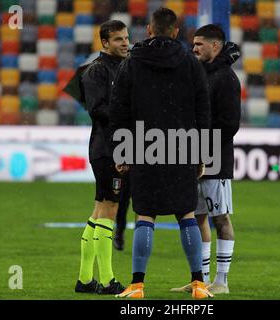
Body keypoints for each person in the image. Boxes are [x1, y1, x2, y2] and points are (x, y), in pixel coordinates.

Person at [109, 8, 213, 299]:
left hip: (144, 146)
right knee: (186, 213)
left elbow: (119, 109)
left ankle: (138, 285)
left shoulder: (132, 64)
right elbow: (203, 108)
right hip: (182, 146)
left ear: (149, 31)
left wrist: (121, 150)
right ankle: (199, 284)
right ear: (176, 32)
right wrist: (202, 152)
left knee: (145, 215)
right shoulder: (191, 64)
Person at [171, 24, 241, 295]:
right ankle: (201, 279)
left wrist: (204, 148)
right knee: (198, 216)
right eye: (194, 43)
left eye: (200, 44)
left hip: (216, 161)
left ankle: (222, 281)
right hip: (192, 159)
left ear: (216, 46)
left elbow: (230, 124)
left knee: (220, 218)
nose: (194, 48)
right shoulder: (199, 75)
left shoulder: (226, 78)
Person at [70, 20, 129, 295]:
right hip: (108, 149)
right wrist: (128, 118)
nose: (125, 43)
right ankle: (106, 281)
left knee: (98, 211)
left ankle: (84, 279)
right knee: (110, 210)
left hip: (110, 147)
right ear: (104, 43)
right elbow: (97, 109)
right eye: (118, 39)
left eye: (126, 38)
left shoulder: (121, 67)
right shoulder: (96, 71)